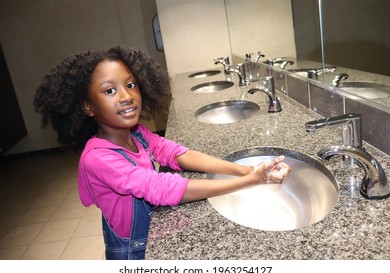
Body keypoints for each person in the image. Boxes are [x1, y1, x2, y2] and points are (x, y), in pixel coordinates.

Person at [34, 45, 291, 260]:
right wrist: (252, 181)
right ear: (88, 106)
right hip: (132, 251)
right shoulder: (99, 159)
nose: (126, 96)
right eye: (110, 90)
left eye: (131, 85)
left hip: (152, 233)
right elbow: (164, 189)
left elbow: (176, 153)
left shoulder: (136, 133)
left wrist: (244, 169)